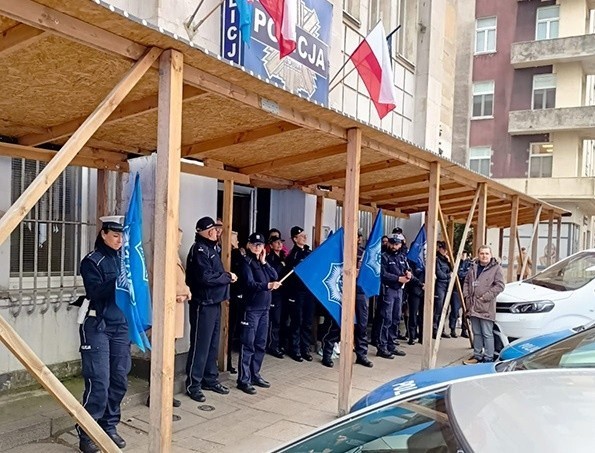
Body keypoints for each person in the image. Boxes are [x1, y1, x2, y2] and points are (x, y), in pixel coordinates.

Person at [77, 216, 129, 453]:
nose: (120, 240)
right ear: (104, 234)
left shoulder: (125, 260)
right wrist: (118, 281)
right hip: (98, 324)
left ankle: (109, 426)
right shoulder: (92, 261)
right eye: (115, 235)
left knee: (119, 379)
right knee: (99, 382)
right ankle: (88, 432)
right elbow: (95, 292)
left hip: (120, 325)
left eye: (122, 236)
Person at [185, 216, 237, 402]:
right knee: (201, 344)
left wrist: (224, 277)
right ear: (205, 231)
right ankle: (194, 384)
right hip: (203, 304)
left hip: (215, 302)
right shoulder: (199, 250)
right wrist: (227, 277)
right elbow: (206, 278)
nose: (217, 232)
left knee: (213, 344)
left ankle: (210, 378)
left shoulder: (212, 249)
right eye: (214, 230)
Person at [236, 233, 281, 394]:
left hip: (264, 309)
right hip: (251, 308)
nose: (257, 247)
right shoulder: (245, 262)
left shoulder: (261, 262)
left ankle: (255, 374)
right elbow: (250, 283)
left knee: (260, 343)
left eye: (260, 245)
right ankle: (244, 379)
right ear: (248, 245)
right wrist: (268, 285)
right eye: (254, 244)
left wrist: (264, 262)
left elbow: (275, 276)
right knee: (248, 343)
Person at [463, 246, 505, 365]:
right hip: (472, 305)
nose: (484, 256)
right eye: (482, 253)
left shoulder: (496, 268)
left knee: (487, 333)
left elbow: (500, 286)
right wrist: (467, 295)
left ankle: (488, 357)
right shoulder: (473, 267)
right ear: (478, 254)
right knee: (476, 332)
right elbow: (466, 281)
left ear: (491, 254)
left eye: (486, 253)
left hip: (486, 306)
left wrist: (485, 297)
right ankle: (477, 355)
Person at [284, 226, 316, 362]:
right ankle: (295, 349)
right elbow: (289, 276)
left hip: (308, 292)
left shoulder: (309, 252)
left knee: (308, 322)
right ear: (295, 239)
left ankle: (305, 349)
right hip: (297, 293)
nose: (305, 237)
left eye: (305, 235)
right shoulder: (292, 255)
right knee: (297, 321)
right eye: (301, 236)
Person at [378, 234, 409, 359]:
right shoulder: (384, 257)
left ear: (400, 244)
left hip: (399, 291)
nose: (394, 246)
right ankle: (382, 346)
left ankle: (391, 344)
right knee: (386, 318)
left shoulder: (402, 257)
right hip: (388, 290)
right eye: (392, 243)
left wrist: (409, 273)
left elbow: (407, 268)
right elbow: (383, 274)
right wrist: (398, 278)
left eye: (397, 244)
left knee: (396, 318)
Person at [266, 234, 287, 358]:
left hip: (283, 292)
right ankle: (272, 345)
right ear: (271, 245)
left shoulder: (284, 257)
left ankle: (279, 343)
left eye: (281, 242)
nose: (280, 244)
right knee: (275, 320)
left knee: (282, 320)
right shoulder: (270, 259)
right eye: (277, 242)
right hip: (274, 293)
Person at [227, 231, 245, 373]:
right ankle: (226, 362)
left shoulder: (237, 254)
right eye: (236, 239)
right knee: (230, 329)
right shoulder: (235, 255)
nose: (238, 242)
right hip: (232, 296)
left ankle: (227, 361)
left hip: (235, 295)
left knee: (232, 329)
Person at [449, 251, 472, 338]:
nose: (463, 256)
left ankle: (464, 330)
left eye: (464, 254)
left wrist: (462, 274)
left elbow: (470, 275)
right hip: (456, 289)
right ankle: (452, 329)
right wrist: (463, 274)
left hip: (466, 290)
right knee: (455, 310)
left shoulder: (470, 264)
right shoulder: (456, 263)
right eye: (461, 254)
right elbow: (457, 274)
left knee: (466, 311)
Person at [433, 241, 452, 339]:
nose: (445, 251)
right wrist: (449, 276)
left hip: (447, 285)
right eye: (443, 249)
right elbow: (439, 274)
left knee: (445, 308)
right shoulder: (436, 259)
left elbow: (453, 269)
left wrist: (449, 261)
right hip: (440, 285)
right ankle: (435, 330)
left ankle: (442, 329)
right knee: (438, 308)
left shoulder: (446, 260)